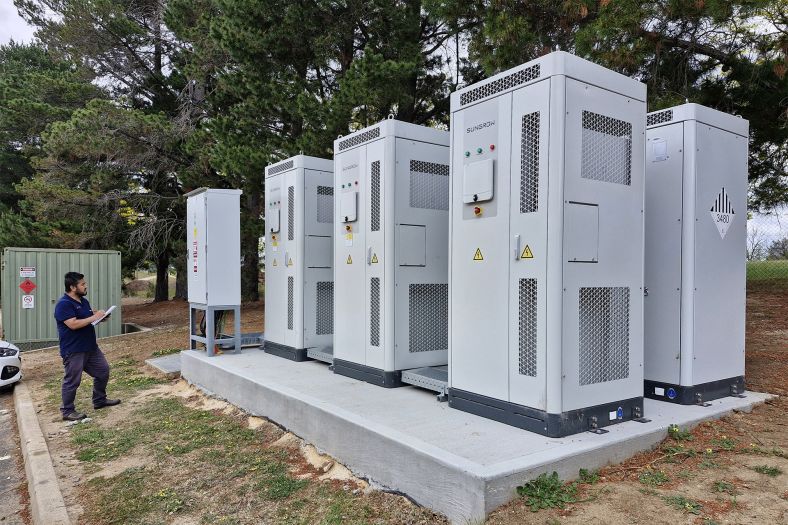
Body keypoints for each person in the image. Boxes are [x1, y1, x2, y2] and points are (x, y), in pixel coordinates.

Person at [54, 272, 120, 421]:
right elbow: (73, 324)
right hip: (74, 350)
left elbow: (88, 318)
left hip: (90, 347)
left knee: (103, 371)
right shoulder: (64, 304)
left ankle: (99, 400)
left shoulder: (83, 301)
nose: (85, 286)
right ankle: (67, 411)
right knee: (72, 381)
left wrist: (100, 316)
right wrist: (93, 317)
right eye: (82, 284)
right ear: (72, 287)